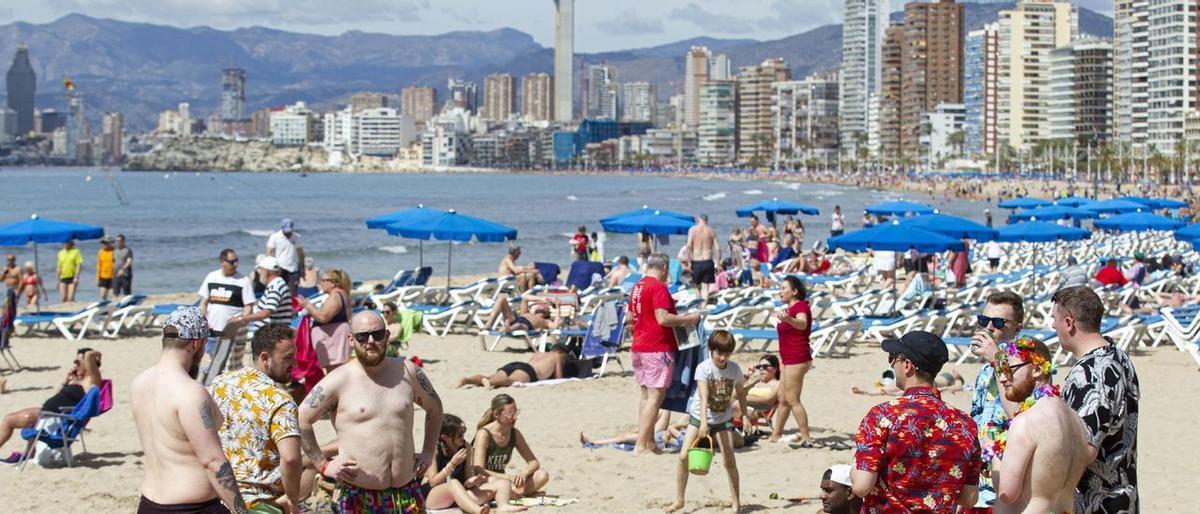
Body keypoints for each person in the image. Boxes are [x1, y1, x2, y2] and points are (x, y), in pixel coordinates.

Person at [297, 311, 444, 514]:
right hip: (359, 496)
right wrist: (323, 465)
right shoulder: (339, 379)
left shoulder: (408, 371)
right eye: (363, 336)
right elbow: (302, 418)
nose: (371, 341)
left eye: (377, 334)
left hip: (407, 494)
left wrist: (428, 451)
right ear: (351, 340)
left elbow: (435, 409)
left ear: (386, 335)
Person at [131, 307, 249, 513]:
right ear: (197, 344)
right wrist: (240, 510)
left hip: (149, 503)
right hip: (191, 507)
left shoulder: (139, 383)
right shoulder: (191, 393)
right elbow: (213, 461)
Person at [850, 330, 980, 512]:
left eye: (893, 358)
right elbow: (969, 497)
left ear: (907, 365)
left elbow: (862, 487)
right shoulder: (965, 423)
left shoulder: (882, 415)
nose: (892, 364)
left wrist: (853, 470)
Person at [1051, 286, 1140, 513]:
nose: (1053, 326)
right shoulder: (1117, 354)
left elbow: (1084, 449)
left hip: (1099, 502)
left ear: (1069, 323)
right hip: (1121, 496)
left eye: (1055, 319)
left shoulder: (1092, 373)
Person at [207, 324, 302, 512]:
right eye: (288, 358)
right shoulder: (280, 400)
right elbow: (290, 458)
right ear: (265, 358)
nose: (295, 364)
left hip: (219, 495)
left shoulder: (220, 383)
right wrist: (292, 499)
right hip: (260, 501)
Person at [991, 337, 1090, 514]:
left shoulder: (1026, 422)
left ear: (1037, 369)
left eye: (1008, 369)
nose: (1003, 378)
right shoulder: (1076, 420)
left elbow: (1007, 493)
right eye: (999, 370)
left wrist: (993, 454)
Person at [666, 330, 747, 513]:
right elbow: (703, 397)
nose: (723, 357)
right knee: (683, 456)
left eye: (727, 353)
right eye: (720, 353)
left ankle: (736, 502)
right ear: (711, 349)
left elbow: (741, 393)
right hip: (698, 416)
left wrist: (745, 415)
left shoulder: (734, 369)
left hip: (723, 419)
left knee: (729, 461)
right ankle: (679, 500)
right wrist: (703, 423)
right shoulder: (704, 367)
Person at [628, 253, 700, 455]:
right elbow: (663, 318)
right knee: (655, 397)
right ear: (665, 267)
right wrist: (688, 318)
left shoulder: (637, 287)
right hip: (656, 347)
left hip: (639, 346)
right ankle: (641, 444)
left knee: (645, 396)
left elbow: (629, 319)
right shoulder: (658, 287)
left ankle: (649, 441)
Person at [967, 291, 1025, 510]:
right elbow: (977, 419)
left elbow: (1021, 415)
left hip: (1008, 487)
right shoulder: (984, 370)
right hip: (979, 486)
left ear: (1018, 328)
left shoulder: (1028, 368)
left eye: (999, 322)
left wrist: (996, 359)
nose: (989, 328)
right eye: (984, 321)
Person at [0, 348, 102, 458]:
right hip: (49, 412)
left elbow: (88, 355)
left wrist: (97, 354)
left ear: (88, 363)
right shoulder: (77, 379)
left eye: (78, 362)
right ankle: (30, 452)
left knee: (10, 420)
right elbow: (56, 395)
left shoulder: (92, 379)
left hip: (58, 417)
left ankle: (30, 453)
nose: (75, 365)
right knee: (9, 418)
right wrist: (66, 382)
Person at [423, 414, 525, 514]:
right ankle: (477, 510)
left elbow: (466, 479)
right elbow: (433, 482)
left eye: (463, 431)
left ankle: (503, 506)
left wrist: (472, 481)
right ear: (445, 437)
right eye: (459, 434)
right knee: (453, 483)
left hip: (461, 495)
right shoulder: (434, 450)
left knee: (503, 483)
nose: (463, 437)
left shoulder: (465, 447)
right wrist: (452, 464)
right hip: (435, 498)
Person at [472, 394, 551, 497]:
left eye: (516, 413)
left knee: (542, 475)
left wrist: (524, 473)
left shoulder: (514, 434)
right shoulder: (484, 434)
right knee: (496, 481)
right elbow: (479, 470)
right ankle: (518, 495)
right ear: (496, 414)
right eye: (510, 414)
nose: (515, 417)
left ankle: (514, 494)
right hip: (484, 482)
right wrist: (508, 477)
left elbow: (534, 462)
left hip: (504, 482)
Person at [769, 276, 813, 445]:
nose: (780, 291)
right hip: (788, 358)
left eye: (783, 288)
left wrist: (787, 319)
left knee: (793, 398)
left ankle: (806, 437)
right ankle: (776, 434)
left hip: (798, 357)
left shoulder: (800, 306)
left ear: (794, 291)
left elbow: (802, 324)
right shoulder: (788, 308)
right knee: (783, 399)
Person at [198, 249, 255, 356]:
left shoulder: (243, 280)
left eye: (237, 261)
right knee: (214, 361)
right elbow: (203, 302)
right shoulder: (212, 277)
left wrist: (241, 321)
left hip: (233, 332)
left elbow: (249, 306)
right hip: (213, 330)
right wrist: (204, 318)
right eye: (232, 262)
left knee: (232, 365)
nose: (236, 264)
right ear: (222, 262)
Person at [298, 268, 353, 372]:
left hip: (334, 340)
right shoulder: (341, 294)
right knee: (337, 372)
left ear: (332, 283)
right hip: (334, 339)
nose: (321, 283)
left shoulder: (335, 296)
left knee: (335, 372)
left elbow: (323, 317)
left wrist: (308, 306)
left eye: (323, 280)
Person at [452, 344, 570, 389]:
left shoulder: (539, 353)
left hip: (518, 364)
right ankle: (489, 382)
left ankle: (467, 380)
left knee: (490, 376)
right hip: (529, 371)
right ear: (562, 352)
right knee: (509, 381)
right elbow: (558, 378)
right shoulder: (558, 357)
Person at [229, 256, 293, 332]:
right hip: (274, 333)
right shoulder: (277, 284)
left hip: (273, 335)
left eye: (260, 270)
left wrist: (240, 319)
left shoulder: (275, 287)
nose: (259, 273)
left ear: (266, 271)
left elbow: (265, 313)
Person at [686, 214, 720, 301]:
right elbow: (717, 249)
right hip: (708, 260)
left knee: (697, 286)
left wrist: (689, 261)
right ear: (706, 220)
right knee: (706, 287)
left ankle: (699, 306)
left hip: (696, 261)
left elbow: (689, 246)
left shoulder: (693, 230)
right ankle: (704, 306)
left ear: (699, 219)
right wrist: (718, 263)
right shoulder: (711, 231)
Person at [266, 219, 305, 294]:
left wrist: (302, 269)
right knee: (279, 291)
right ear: (282, 228)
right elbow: (269, 252)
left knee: (292, 293)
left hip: (293, 269)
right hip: (280, 268)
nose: (288, 233)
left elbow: (301, 254)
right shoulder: (275, 237)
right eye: (286, 231)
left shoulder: (296, 237)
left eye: (290, 231)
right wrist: (271, 267)